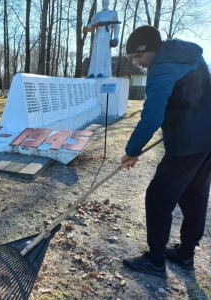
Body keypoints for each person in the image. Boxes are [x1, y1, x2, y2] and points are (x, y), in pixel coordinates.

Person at [121, 25, 211, 278]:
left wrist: (132, 150)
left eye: (139, 57)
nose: (138, 63)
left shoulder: (162, 68)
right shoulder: (188, 55)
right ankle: (185, 256)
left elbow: (151, 115)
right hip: (206, 140)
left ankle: (155, 260)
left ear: (151, 50)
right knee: (195, 196)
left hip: (185, 144)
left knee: (158, 197)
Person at [85, 0, 120, 78]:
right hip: (98, 36)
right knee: (95, 54)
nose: (104, 4)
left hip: (106, 36)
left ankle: (102, 72)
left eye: (106, 3)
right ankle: (93, 72)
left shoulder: (113, 13)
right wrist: (89, 26)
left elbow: (116, 26)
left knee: (104, 54)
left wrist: (116, 37)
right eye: (103, 3)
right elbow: (91, 24)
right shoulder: (97, 15)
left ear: (108, 4)